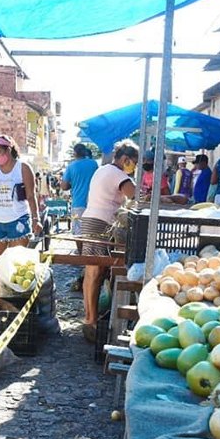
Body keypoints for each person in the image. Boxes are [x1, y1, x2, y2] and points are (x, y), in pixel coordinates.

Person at [80, 139, 138, 343]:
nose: (134, 167)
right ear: (125, 159)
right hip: (100, 222)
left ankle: (89, 318)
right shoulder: (118, 174)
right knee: (94, 272)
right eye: (134, 162)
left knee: (91, 272)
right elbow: (136, 197)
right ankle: (90, 320)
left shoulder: (103, 170)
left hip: (91, 219)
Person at [0, 134, 43, 298]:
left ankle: (15, 302)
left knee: (18, 266)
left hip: (18, 221)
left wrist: (36, 219)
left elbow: (31, 195)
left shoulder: (23, 168)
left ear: (9, 150)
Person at [61, 143, 99, 236]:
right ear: (85, 152)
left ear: (74, 153)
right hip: (94, 203)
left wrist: (74, 183)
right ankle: (88, 250)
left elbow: (64, 186)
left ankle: (80, 250)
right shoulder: (93, 164)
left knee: (78, 231)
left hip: (77, 204)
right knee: (92, 231)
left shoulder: (71, 166)